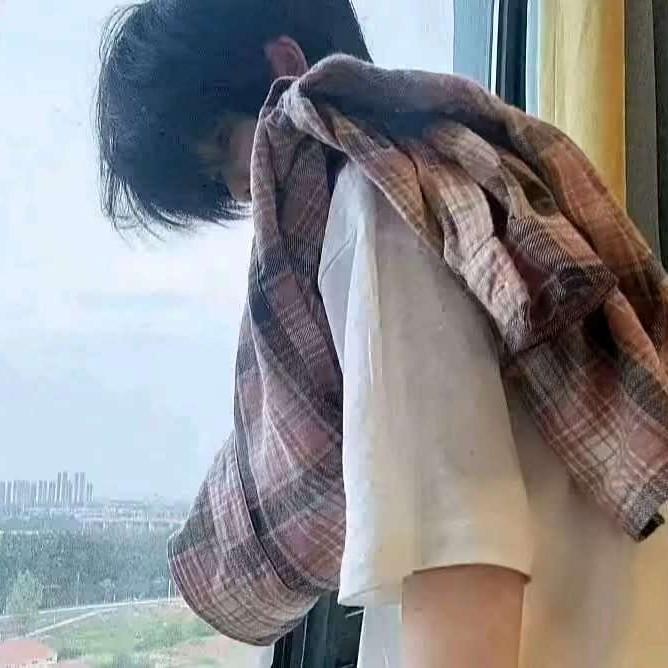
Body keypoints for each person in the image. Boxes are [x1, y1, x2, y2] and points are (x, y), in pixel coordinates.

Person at [95, 2, 668, 666]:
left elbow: (458, 559)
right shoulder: (468, 182)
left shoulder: (374, 209)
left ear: (285, 69)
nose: (244, 193)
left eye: (225, 150)